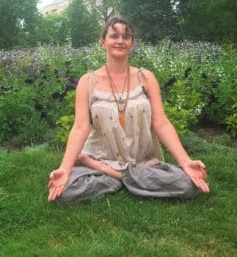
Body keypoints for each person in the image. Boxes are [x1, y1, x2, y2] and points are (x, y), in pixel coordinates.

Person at [48, 16, 209, 204]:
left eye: (126, 36)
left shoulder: (146, 78)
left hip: (140, 161)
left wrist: (185, 162)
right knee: (66, 192)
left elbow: (161, 122)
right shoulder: (88, 82)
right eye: (113, 36)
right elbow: (80, 127)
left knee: (188, 185)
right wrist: (65, 170)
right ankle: (133, 179)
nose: (120, 41)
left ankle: (114, 176)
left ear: (132, 43)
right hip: (101, 159)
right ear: (103, 42)